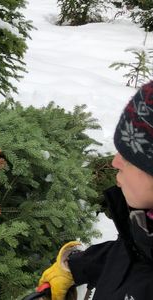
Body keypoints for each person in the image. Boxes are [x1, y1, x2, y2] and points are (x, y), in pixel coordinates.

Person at [39, 81, 153, 300]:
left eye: (130, 156)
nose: (114, 162)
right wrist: (78, 267)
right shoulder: (145, 225)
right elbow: (135, 257)